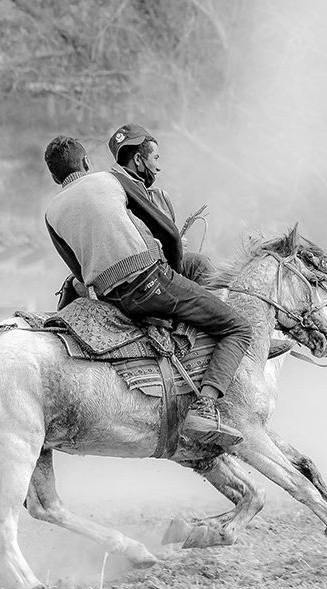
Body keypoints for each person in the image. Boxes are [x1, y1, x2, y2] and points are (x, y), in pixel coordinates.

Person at [43, 135, 252, 451]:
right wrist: (172, 267)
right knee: (239, 328)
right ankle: (204, 407)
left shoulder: (51, 213)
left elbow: (77, 269)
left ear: (55, 176)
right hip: (151, 280)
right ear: (86, 162)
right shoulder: (109, 180)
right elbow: (164, 228)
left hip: (114, 297)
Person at [108, 124, 215, 285]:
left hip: (165, 266)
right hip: (145, 273)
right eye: (155, 158)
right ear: (138, 159)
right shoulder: (115, 194)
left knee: (195, 262)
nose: (158, 167)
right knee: (199, 264)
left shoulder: (159, 196)